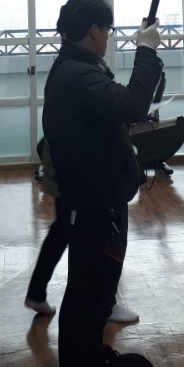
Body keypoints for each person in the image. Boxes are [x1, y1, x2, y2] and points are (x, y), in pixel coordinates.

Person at [43, 0, 163, 367]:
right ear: (94, 30)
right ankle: (81, 366)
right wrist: (147, 51)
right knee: (91, 292)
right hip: (96, 205)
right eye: (107, 30)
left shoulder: (76, 68)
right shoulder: (77, 74)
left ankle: (83, 360)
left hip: (95, 199)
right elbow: (132, 105)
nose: (108, 37)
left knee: (90, 291)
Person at [25, 135, 139, 324]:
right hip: (84, 168)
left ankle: (37, 292)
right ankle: (105, 303)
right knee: (106, 234)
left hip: (67, 162)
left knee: (62, 229)